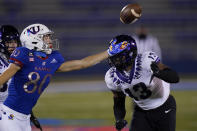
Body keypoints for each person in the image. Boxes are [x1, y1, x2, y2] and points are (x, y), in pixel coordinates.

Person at [0, 23, 109, 131]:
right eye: (45, 37)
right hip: (9, 114)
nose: (50, 40)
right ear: (33, 39)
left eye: (49, 37)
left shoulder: (52, 59)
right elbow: (6, 75)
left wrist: (109, 52)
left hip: (24, 117)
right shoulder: (22, 53)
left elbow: (82, 63)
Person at [105, 35, 179, 131]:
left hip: (163, 106)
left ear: (129, 54)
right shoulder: (111, 77)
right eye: (112, 56)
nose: (113, 59)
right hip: (141, 111)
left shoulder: (146, 61)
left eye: (117, 56)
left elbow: (175, 78)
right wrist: (119, 119)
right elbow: (118, 100)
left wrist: (159, 73)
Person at [0, 25, 43, 131]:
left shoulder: (18, 60)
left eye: (14, 42)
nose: (12, 45)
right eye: (8, 42)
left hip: (13, 107)